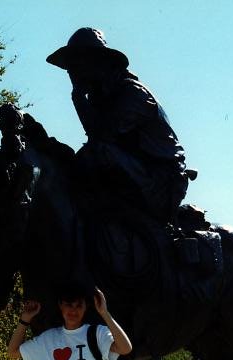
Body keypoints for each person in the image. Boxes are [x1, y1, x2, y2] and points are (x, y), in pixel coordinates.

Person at [46, 27, 192, 226]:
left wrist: (78, 97)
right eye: (71, 66)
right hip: (131, 173)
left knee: (95, 154)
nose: (74, 72)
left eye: (78, 64)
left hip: (161, 182)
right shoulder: (102, 97)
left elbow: (101, 138)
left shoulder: (133, 94)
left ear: (99, 63)